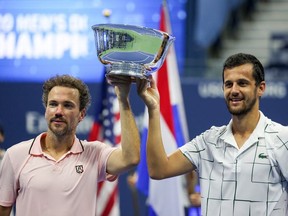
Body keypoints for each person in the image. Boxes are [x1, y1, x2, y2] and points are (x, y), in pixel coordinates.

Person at [138, 53, 288, 216]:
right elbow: (158, 170)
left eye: (242, 83)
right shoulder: (208, 141)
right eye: (228, 84)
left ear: (261, 88)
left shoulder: (282, 138)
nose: (234, 90)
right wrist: (153, 110)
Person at [0, 74, 141, 216]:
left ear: (81, 114)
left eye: (67, 105)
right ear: (46, 110)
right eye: (53, 104)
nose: (58, 112)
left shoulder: (95, 153)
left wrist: (123, 101)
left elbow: (131, 158)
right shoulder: (15, 155)